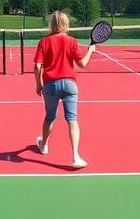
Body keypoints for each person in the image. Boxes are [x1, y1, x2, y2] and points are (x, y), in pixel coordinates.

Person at [33, 10, 96, 169]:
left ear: (52, 24)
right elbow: (82, 64)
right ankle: (75, 156)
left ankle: (44, 145)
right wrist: (90, 50)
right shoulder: (72, 41)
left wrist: (38, 84)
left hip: (50, 85)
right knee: (72, 120)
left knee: (50, 118)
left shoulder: (44, 42)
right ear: (66, 23)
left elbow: (37, 66)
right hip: (69, 85)